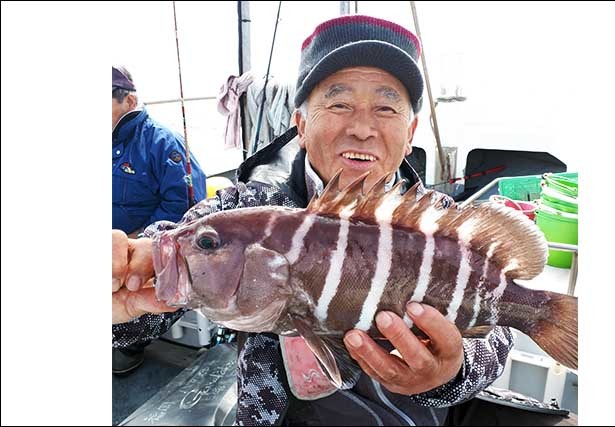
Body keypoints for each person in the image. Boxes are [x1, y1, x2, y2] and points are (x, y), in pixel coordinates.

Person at [112, 15, 513, 425]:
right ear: (301, 124)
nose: (361, 128)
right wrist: (123, 281)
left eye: (386, 107)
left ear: (410, 132)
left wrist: (453, 370)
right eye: (338, 103)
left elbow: (501, 331)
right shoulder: (245, 209)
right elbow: (166, 263)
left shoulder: (444, 222)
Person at [112, 65, 207, 374]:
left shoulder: (163, 143)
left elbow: (187, 206)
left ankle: (128, 344)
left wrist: (140, 242)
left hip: (141, 254)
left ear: (128, 100)